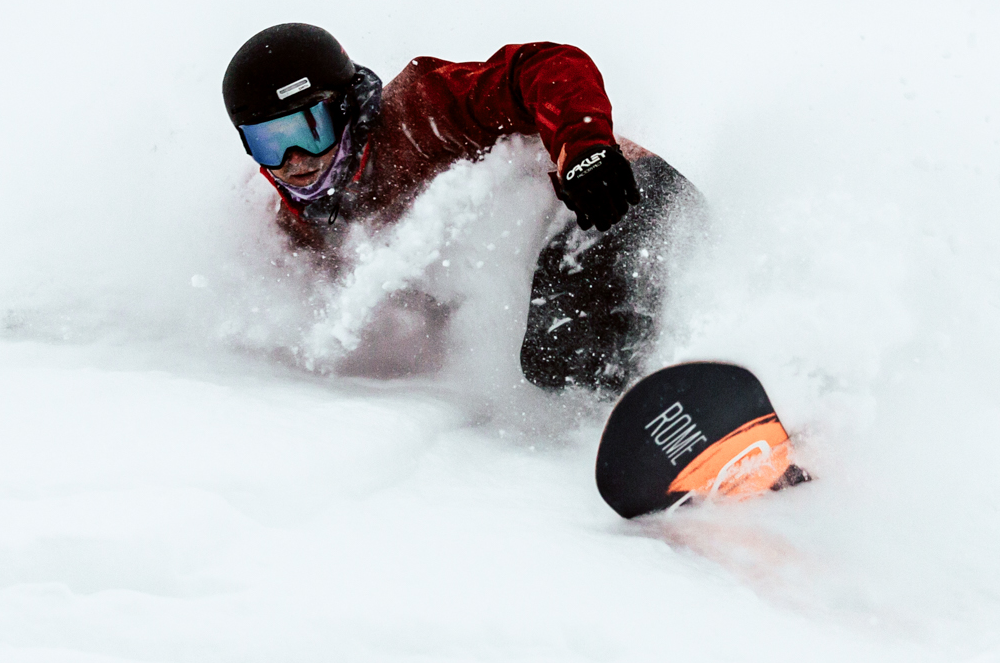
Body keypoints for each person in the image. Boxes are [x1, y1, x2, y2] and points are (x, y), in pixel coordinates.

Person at [222, 22, 703, 395]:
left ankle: (693, 380)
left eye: (308, 129)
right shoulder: (297, 226)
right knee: (551, 366)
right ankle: (660, 421)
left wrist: (584, 149)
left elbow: (545, 66)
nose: (294, 161)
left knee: (563, 335)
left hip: (620, 197)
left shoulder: (419, 111)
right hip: (564, 275)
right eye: (269, 143)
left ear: (346, 109)